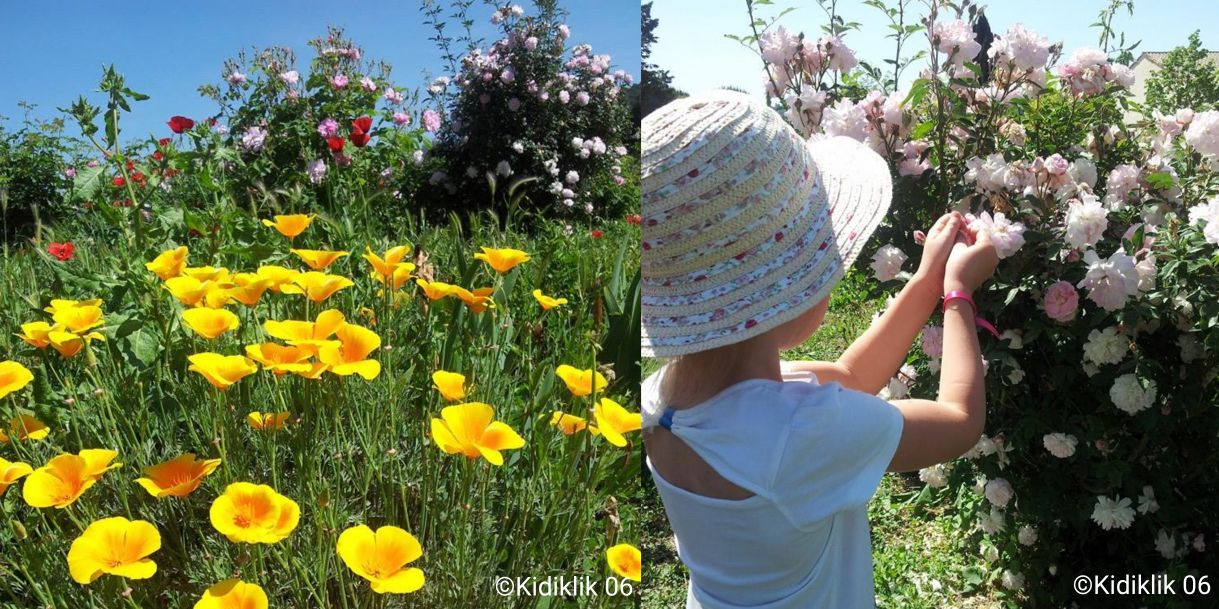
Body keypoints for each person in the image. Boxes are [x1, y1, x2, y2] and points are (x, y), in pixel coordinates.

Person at [641, 89, 999, 608]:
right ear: (790, 287)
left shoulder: (663, 399)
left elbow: (851, 374)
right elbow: (959, 419)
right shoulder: (802, 434)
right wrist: (959, 293)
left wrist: (925, 281)